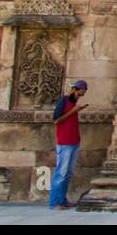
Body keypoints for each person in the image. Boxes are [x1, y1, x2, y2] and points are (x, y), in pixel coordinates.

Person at [50, 80, 88, 210]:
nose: (80, 96)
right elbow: (56, 120)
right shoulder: (64, 101)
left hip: (74, 141)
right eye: (80, 93)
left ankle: (62, 200)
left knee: (67, 173)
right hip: (65, 142)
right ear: (76, 90)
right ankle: (55, 203)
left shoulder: (73, 103)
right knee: (61, 173)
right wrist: (74, 111)